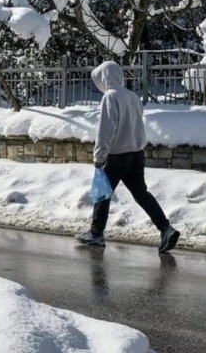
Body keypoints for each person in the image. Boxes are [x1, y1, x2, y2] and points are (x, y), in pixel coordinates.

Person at [75, 61, 180, 253]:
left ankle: (96, 233)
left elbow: (106, 130)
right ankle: (166, 228)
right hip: (136, 154)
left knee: (102, 194)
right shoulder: (132, 96)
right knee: (141, 194)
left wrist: (99, 156)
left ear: (104, 78)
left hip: (116, 156)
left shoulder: (110, 97)